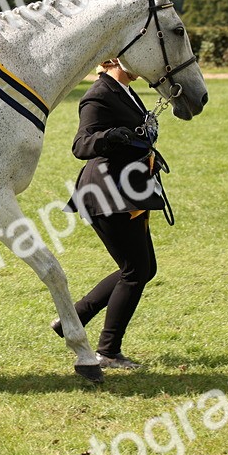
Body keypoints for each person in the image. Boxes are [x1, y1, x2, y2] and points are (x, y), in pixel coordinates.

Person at [56, 58, 169, 370]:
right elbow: (81, 144)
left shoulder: (125, 90)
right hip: (106, 193)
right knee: (136, 269)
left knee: (142, 268)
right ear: (114, 60)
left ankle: (73, 318)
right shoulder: (98, 94)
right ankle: (108, 351)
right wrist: (109, 137)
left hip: (127, 190)